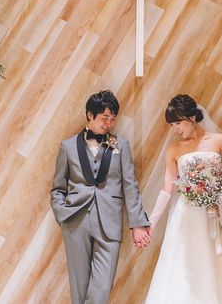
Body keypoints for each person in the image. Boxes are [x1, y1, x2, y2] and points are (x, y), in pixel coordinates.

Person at [144, 94, 222, 303]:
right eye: (172, 125)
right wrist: (150, 223)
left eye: (178, 122)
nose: (175, 129)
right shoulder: (174, 149)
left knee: (221, 267)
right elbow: (167, 190)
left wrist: (218, 198)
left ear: (192, 117)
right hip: (188, 216)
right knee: (185, 266)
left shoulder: (218, 141)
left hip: (217, 211)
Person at [51, 90, 151, 304]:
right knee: (79, 287)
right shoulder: (68, 146)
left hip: (110, 222)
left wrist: (138, 224)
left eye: (113, 119)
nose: (109, 124)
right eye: (105, 118)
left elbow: (130, 186)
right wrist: (61, 213)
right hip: (75, 220)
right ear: (90, 114)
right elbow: (58, 188)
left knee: (103, 286)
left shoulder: (121, 146)